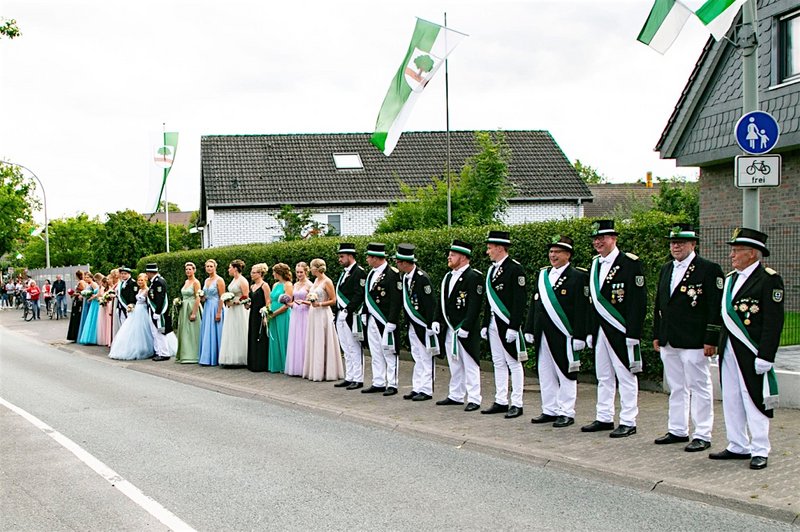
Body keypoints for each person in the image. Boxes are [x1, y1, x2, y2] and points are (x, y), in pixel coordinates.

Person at [711, 228, 784, 470]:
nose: (731, 255)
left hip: (751, 350)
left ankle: (760, 448)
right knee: (731, 398)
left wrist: (766, 355)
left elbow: (773, 322)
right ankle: (737, 444)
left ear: (752, 253)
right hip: (729, 349)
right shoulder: (731, 279)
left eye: (737, 250)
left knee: (753, 398)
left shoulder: (769, 280)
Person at [652, 224, 724, 452]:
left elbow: (715, 307)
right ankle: (677, 429)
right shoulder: (667, 268)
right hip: (669, 338)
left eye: (681, 242)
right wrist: (657, 333)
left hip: (694, 340)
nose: (676, 246)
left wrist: (711, 338)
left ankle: (702, 433)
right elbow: (660, 304)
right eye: (673, 242)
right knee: (676, 387)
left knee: (699, 386)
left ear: (693, 244)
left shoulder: (708, 269)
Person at [581, 220, 647, 438]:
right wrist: (589, 331)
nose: (598, 242)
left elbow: (638, 302)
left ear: (614, 238)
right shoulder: (595, 264)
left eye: (602, 238)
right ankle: (604, 417)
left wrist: (634, 333)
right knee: (603, 376)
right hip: (600, 330)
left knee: (626, 375)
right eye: (595, 239)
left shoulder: (629, 263)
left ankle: (628, 420)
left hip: (621, 330)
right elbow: (592, 303)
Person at [524, 235, 590, 428]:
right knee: (545, 373)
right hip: (542, 333)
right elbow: (535, 303)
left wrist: (580, 335)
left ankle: (566, 412)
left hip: (564, 333)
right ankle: (549, 409)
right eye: (551, 251)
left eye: (557, 252)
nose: (553, 255)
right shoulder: (543, 275)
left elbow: (582, 309)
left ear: (568, 255)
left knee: (566, 373)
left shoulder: (578, 277)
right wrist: (529, 328)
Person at [481, 230, 527, 419]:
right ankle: (501, 400)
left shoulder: (515, 269)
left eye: (490, 248)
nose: (487, 252)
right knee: (498, 362)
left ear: (500, 248)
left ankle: (517, 403)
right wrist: (485, 323)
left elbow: (519, 301)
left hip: (507, 323)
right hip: (493, 322)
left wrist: (514, 327)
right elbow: (489, 301)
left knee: (513, 363)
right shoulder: (492, 270)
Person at [433, 240, 484, 412]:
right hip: (450, 327)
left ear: (463, 257)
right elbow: (442, 301)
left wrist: (467, 326)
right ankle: (456, 395)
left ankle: (474, 398)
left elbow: (475, 305)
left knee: (470, 364)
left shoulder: (474, 276)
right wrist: (436, 319)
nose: (449, 257)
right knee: (454, 363)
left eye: (452, 255)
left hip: (465, 329)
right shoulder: (448, 277)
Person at [395, 244, 438, 402]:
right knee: (417, 356)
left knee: (426, 357)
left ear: (405, 262)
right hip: (412, 323)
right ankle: (417, 387)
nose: (397, 264)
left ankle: (426, 390)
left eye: (398, 261)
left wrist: (430, 324)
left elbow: (430, 303)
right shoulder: (405, 277)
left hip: (423, 323)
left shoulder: (422, 278)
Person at [361, 243, 402, 396]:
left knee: (389, 352)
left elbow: (396, 300)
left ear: (376, 258)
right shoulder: (371, 273)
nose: (367, 259)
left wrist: (392, 321)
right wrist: (364, 313)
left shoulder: (392, 274)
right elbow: (367, 296)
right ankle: (378, 382)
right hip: (372, 318)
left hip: (385, 320)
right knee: (375, 351)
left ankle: (392, 383)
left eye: (369, 257)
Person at [302, 259, 345, 381]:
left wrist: (320, 304)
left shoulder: (327, 281)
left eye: (311, 267)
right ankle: (315, 369)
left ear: (316, 268)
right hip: (313, 313)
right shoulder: (316, 280)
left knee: (323, 339)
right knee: (314, 339)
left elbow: (333, 300)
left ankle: (326, 370)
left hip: (323, 314)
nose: (310, 269)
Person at [333, 242, 367, 390]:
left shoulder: (359, 272)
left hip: (351, 315)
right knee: (346, 347)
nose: (340, 259)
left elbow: (359, 294)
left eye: (342, 256)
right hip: (341, 314)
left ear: (350, 256)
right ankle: (349, 376)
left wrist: (348, 310)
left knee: (354, 347)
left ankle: (358, 378)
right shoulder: (344, 272)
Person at [109, 273, 155, 360]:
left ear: (146, 280)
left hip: (143, 311)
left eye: (142, 280)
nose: (140, 282)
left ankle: (146, 348)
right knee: (132, 330)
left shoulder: (147, 290)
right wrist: (131, 306)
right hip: (136, 310)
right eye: (139, 280)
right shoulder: (139, 290)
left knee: (143, 330)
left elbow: (149, 303)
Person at [219, 259, 250, 366]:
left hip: (240, 309)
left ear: (235, 268)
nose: (228, 270)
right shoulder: (234, 280)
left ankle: (242, 357)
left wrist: (237, 302)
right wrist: (228, 300)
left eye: (230, 267)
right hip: (231, 309)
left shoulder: (243, 281)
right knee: (231, 331)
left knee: (239, 330)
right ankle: (231, 357)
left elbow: (246, 297)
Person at [285, 262, 312, 376]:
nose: (299, 274)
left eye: (301, 272)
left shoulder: (310, 285)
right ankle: (296, 366)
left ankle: (306, 367)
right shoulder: (295, 285)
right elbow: (293, 301)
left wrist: (304, 302)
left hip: (305, 313)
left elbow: (312, 302)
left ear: (306, 272)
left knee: (304, 338)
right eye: (297, 272)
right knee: (295, 339)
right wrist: (287, 303)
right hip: (295, 313)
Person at [199, 259, 226, 366]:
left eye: (211, 266)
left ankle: (217, 356)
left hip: (216, 306)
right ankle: (207, 356)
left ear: (215, 267)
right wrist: (202, 297)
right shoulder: (206, 280)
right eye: (207, 266)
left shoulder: (219, 280)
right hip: (207, 307)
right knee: (207, 331)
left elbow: (222, 297)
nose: (209, 268)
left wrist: (219, 312)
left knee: (216, 331)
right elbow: (205, 297)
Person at [268, 263, 293, 373]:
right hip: (272, 314)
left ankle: (285, 365)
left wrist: (275, 313)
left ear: (279, 273)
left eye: (274, 272)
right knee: (274, 338)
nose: (273, 274)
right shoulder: (275, 285)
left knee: (283, 338)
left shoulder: (288, 285)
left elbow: (288, 303)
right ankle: (276, 365)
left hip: (282, 314)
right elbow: (271, 300)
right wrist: (267, 310)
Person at [176, 262, 202, 364]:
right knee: (184, 331)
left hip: (192, 306)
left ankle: (193, 355)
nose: (188, 271)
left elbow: (198, 297)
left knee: (192, 331)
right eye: (186, 269)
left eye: (190, 269)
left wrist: (194, 313)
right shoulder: (186, 281)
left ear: (194, 270)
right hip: (184, 308)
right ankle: (184, 354)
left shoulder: (196, 282)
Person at [145, 263, 173, 361]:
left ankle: (164, 353)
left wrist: (157, 312)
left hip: (158, 311)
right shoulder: (155, 281)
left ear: (150, 272)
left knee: (160, 332)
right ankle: (158, 351)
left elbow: (160, 298)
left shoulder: (159, 282)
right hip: (153, 310)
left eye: (147, 273)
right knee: (155, 332)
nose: (147, 275)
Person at [247, 262, 270, 372]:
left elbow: (268, 301)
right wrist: (247, 304)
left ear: (260, 274)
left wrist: (266, 314)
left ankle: (261, 363)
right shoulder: (252, 286)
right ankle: (253, 362)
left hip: (261, 313)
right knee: (253, 335)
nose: (252, 274)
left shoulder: (264, 285)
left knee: (261, 336)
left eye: (254, 272)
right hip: (252, 313)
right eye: (251, 272)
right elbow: (251, 301)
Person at [78, 272, 100, 345]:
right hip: (87, 301)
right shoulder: (88, 284)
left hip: (91, 302)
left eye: (88, 277)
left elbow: (97, 292)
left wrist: (91, 296)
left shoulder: (93, 284)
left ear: (91, 278)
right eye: (85, 277)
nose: (86, 279)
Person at [66, 270, 86, 341]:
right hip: (77, 300)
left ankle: (75, 334)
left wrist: (75, 294)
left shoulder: (81, 282)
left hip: (78, 301)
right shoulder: (81, 282)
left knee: (76, 316)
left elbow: (83, 291)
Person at [95, 274, 111, 346]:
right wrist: (100, 299)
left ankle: (107, 338)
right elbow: (100, 295)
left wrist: (103, 299)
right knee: (102, 321)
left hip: (107, 306)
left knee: (106, 321)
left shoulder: (108, 288)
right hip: (102, 306)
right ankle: (104, 338)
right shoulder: (102, 288)